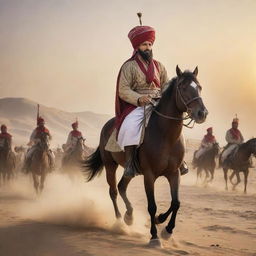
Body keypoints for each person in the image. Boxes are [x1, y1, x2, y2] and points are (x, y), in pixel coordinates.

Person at [114, 17, 188, 177]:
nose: (148, 47)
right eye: (144, 44)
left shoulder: (159, 66)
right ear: (137, 47)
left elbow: (166, 86)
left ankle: (180, 161)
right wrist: (139, 98)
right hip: (137, 105)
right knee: (131, 126)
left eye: (149, 44)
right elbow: (123, 89)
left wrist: (165, 98)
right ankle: (130, 163)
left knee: (175, 126)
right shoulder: (129, 66)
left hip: (158, 103)